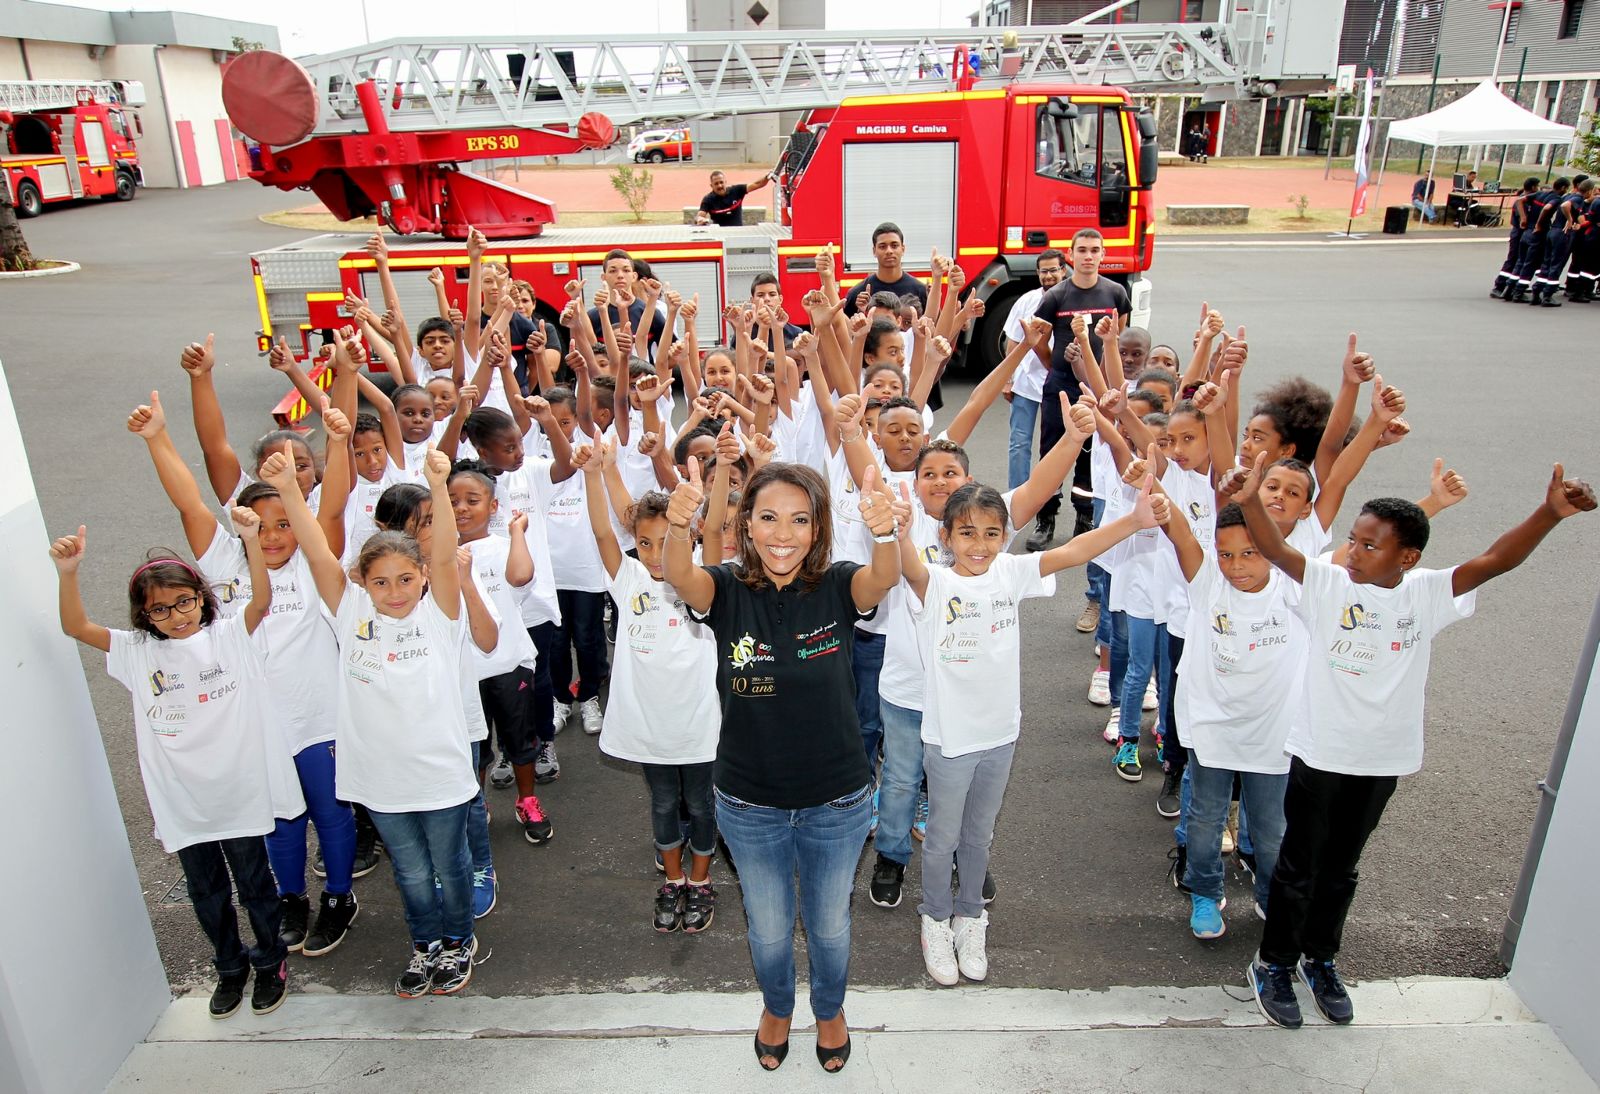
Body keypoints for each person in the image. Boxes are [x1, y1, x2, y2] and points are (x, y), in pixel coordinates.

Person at [1237, 455, 1594, 1029]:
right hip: (1321, 752)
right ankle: (1274, 963)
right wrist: (1251, 495)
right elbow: (1277, 552)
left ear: (1408, 558)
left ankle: (1319, 959)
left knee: (1342, 868)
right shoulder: (1329, 581)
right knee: (1299, 866)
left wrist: (1549, 513)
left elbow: (1494, 561)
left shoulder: (1425, 593)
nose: (1353, 552)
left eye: (1369, 547)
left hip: (1383, 757)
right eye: (1353, 540)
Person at [664, 461, 901, 1074]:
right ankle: (776, 1006)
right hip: (748, 803)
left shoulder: (840, 585)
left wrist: (884, 533)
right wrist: (677, 525)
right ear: (745, 524)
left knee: (828, 925)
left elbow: (884, 577)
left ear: (819, 528)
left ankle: (829, 1010)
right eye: (767, 517)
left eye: (800, 519)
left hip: (839, 801)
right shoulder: (725, 589)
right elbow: (678, 574)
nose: (782, 534)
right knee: (768, 931)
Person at [129, 387, 362, 959]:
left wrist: (336, 442)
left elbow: (329, 508)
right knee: (278, 818)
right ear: (241, 527)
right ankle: (291, 898)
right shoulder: (224, 565)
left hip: (318, 716)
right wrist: (158, 436)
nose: (275, 534)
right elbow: (190, 503)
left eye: (285, 523)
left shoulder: (313, 562)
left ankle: (337, 896)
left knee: (329, 812)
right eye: (260, 524)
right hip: (254, 724)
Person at [905, 466, 1159, 987]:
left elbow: (1074, 552)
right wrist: (887, 527)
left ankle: (971, 917)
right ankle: (935, 920)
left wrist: (1134, 520)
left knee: (978, 836)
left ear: (1004, 536)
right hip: (950, 739)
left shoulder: (1011, 573)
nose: (980, 545)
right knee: (941, 838)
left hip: (1000, 734)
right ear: (945, 535)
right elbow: (904, 564)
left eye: (992, 533)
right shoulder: (934, 583)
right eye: (967, 532)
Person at [50, 518, 301, 1019]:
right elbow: (76, 627)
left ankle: (270, 961)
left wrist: (251, 542)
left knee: (255, 885)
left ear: (202, 598)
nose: (176, 615)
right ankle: (230, 968)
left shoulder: (231, 636)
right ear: (145, 615)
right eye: (160, 609)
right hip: (183, 799)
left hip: (239, 790)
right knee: (205, 891)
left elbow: (260, 601)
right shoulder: (137, 652)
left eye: (185, 601)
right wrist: (68, 572)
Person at [262, 441, 483, 999]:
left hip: (438, 774)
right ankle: (426, 942)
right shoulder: (350, 610)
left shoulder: (441, 612)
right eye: (380, 582)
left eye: (405, 580)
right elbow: (316, 552)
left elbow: (442, 553)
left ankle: (459, 940)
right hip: (380, 780)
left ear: (424, 578)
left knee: (451, 867)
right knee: (409, 873)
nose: (393, 592)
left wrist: (437, 485)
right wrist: (290, 489)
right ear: (361, 581)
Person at [576, 432, 722, 933]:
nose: (655, 554)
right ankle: (674, 881)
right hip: (651, 726)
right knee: (663, 802)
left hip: (700, 724)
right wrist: (595, 471)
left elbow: (718, 524)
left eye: (666, 541)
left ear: (690, 536)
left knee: (701, 803)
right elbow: (600, 533)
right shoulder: (630, 580)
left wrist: (718, 475)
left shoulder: (705, 576)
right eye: (644, 543)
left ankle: (702, 882)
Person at [1028, 228, 1132, 551]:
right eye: (1082, 250)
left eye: (1095, 250)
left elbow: (1119, 337)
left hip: (1097, 389)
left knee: (1092, 455)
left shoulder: (1116, 293)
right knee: (1051, 452)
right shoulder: (1056, 296)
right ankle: (1046, 519)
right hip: (1059, 385)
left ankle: (1085, 518)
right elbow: (1039, 342)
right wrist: (1056, 366)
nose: (1088, 256)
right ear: (1071, 255)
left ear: (1103, 254)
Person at [1001, 249, 1066, 491]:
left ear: (1064, 270)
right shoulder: (1026, 301)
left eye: (1054, 270)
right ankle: (1016, 497)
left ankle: (1049, 497)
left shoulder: (1072, 299)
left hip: (1059, 385)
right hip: (1027, 385)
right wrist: (1008, 380)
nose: (1049, 275)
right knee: (1019, 443)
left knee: (1054, 447)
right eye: (1044, 271)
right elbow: (1013, 344)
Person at [841, 223, 929, 317]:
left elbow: (934, 327)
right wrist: (862, 312)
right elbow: (844, 329)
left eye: (894, 246)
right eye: (882, 246)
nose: (889, 251)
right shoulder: (858, 295)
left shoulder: (920, 291)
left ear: (903, 249)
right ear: (874, 251)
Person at [1490, 177, 1543, 300]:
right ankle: (1499, 286)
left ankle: (1511, 286)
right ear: (1534, 187)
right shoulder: (1522, 202)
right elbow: (1523, 220)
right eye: (1538, 186)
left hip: (1521, 233)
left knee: (1519, 260)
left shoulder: (1528, 200)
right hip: (1519, 233)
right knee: (1513, 259)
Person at [697, 168, 773, 227]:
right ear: (711, 186)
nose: (720, 186)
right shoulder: (708, 199)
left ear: (725, 182)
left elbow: (757, 184)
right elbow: (700, 216)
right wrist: (700, 219)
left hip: (738, 233)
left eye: (721, 182)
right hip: (719, 235)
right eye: (716, 184)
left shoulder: (737, 191)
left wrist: (767, 177)